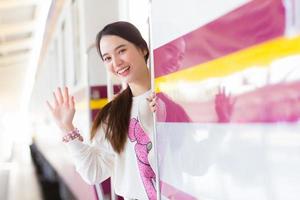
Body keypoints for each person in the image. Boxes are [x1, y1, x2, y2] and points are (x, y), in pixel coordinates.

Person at [46, 21, 158, 200]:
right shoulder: (113, 114)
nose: (116, 63)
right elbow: (94, 172)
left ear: (143, 48)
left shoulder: (169, 96)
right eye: (107, 58)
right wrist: (66, 127)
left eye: (121, 50)